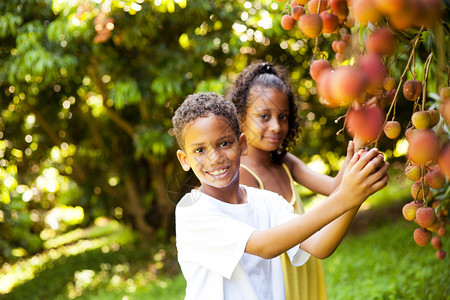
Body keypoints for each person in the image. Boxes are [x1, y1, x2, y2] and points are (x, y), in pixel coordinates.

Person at [172, 92, 388, 300]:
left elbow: (320, 245)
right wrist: (344, 197)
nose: (215, 157)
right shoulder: (192, 211)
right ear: (184, 159)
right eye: (199, 150)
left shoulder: (267, 201)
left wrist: (356, 195)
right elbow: (264, 246)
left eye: (224, 143)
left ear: (242, 144)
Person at [226, 61, 371, 300]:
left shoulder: (285, 162)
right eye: (264, 116)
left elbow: (336, 188)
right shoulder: (242, 178)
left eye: (283, 116)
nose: (276, 126)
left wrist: (360, 136)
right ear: (240, 118)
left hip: (305, 266)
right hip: (275, 282)